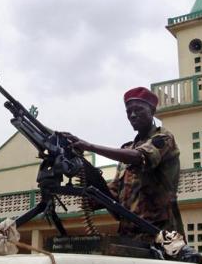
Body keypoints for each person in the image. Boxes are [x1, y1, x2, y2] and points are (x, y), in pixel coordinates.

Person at [63, 87, 185, 244]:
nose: (132, 115)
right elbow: (113, 193)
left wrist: (90, 147)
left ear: (152, 110)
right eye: (129, 111)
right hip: (128, 237)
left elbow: (139, 157)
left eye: (138, 109)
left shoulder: (163, 138)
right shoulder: (126, 149)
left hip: (160, 236)